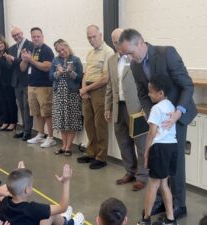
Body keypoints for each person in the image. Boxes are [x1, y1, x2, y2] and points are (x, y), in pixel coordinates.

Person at [119, 29, 197, 219]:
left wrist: (178, 112)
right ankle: (162, 201)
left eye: (130, 52)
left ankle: (179, 205)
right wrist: (149, 113)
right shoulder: (136, 65)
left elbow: (187, 85)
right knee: (159, 161)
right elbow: (142, 93)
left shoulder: (167, 54)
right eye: (125, 54)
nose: (129, 58)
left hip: (177, 115)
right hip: (159, 118)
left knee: (174, 162)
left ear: (141, 44)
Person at [104, 28, 148, 191]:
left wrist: (146, 108)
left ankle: (143, 176)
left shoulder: (136, 58)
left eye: (119, 41)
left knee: (141, 144)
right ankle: (130, 171)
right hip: (118, 106)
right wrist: (108, 106)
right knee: (123, 142)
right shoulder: (111, 60)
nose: (117, 45)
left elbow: (146, 84)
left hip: (137, 108)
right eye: (114, 42)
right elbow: (110, 85)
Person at [138, 76, 177, 225]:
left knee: (153, 184)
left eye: (151, 92)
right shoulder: (171, 105)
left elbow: (152, 133)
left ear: (160, 93)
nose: (148, 94)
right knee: (164, 184)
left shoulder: (155, 108)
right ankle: (170, 219)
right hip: (171, 146)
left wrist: (147, 152)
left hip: (159, 148)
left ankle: (145, 219)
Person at [77, 25, 114, 169]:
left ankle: (101, 157)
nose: (92, 40)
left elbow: (105, 78)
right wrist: (83, 89)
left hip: (99, 90)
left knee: (100, 125)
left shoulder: (108, 52)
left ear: (100, 35)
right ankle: (91, 152)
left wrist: (87, 88)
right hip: (87, 90)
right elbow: (86, 73)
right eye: (89, 37)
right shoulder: (90, 53)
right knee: (89, 123)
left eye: (94, 36)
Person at [0, 165, 85, 225]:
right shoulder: (32, 209)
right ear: (26, 189)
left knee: (47, 213)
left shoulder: (4, 201)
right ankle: (68, 223)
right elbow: (63, 207)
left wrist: (20, 174)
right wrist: (66, 182)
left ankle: (64, 220)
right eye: (31, 185)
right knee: (50, 213)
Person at [20, 27, 55, 148]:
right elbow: (22, 68)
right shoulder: (30, 49)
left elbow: (47, 67)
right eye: (33, 36)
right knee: (37, 112)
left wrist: (31, 60)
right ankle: (40, 134)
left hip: (44, 86)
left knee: (47, 113)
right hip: (31, 86)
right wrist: (25, 60)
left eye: (38, 36)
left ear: (42, 36)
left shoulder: (47, 50)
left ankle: (50, 137)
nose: (36, 38)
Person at [50, 39, 83, 156]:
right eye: (59, 51)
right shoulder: (55, 60)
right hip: (59, 94)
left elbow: (80, 78)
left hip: (72, 94)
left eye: (63, 49)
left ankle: (69, 147)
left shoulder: (76, 60)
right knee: (62, 120)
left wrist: (71, 72)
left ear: (67, 47)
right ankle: (63, 146)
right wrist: (57, 73)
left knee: (71, 120)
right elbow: (50, 77)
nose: (62, 52)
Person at [5, 27, 33, 141]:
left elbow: (25, 63)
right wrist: (8, 60)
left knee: (27, 107)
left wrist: (14, 59)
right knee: (21, 106)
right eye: (14, 36)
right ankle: (24, 128)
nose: (16, 37)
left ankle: (28, 131)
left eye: (18, 34)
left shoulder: (30, 45)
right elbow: (11, 67)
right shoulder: (11, 48)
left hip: (27, 80)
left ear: (22, 33)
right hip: (16, 82)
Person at [0, 35, 18, 132]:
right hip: (0, 82)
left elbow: (9, 67)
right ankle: (6, 121)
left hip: (8, 82)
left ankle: (13, 122)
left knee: (11, 102)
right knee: (3, 102)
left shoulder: (9, 52)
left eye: (1, 43)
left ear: (4, 42)